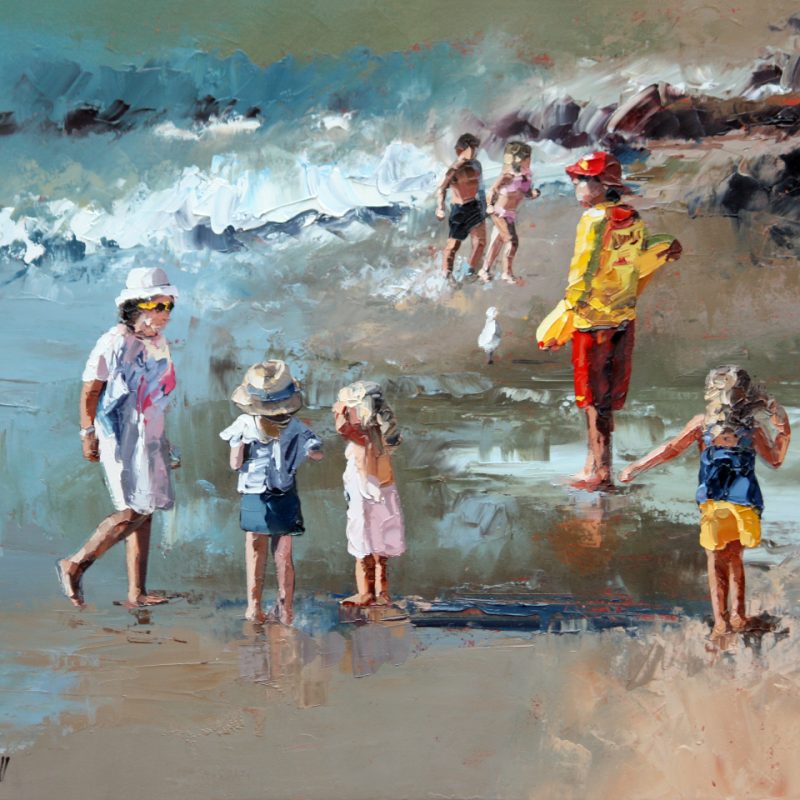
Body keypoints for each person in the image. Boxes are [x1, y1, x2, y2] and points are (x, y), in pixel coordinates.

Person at [537, 150, 682, 490]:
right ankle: (596, 464)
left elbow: (582, 272)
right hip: (623, 318)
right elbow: (639, 263)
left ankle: (599, 472)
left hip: (592, 320)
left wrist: (565, 316)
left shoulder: (592, 220)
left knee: (592, 401)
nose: (575, 185)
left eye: (581, 180)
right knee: (608, 400)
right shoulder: (631, 218)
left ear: (601, 185)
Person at [620, 366, 791, 638]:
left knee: (717, 560)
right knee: (734, 558)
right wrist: (784, 431)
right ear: (745, 395)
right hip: (744, 502)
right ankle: (736, 617)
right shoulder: (752, 429)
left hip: (714, 501)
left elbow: (671, 449)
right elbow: (776, 460)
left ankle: (722, 622)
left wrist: (637, 466)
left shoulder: (703, 425)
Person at [56, 267, 180, 608]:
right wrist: (87, 432)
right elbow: (90, 391)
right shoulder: (113, 342)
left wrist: (164, 442)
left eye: (169, 306)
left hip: (150, 434)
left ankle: (136, 591)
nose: (166, 314)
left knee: (146, 510)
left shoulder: (159, 343)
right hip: (119, 434)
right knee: (133, 509)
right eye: (159, 306)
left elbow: (156, 395)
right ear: (137, 307)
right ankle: (75, 563)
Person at [220, 360, 323, 625]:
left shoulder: (245, 424)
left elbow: (235, 464)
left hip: (254, 492)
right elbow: (316, 453)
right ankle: (285, 609)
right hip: (284, 491)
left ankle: (254, 607)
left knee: (255, 549)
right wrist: (296, 454)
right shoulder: (295, 425)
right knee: (283, 554)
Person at [332, 381, 405, 606]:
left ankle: (365, 593)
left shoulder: (361, 437)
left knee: (362, 544)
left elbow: (341, 428)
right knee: (381, 545)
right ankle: (382, 593)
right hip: (384, 488)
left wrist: (339, 411)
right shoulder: (384, 434)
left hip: (363, 490)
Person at [479, 141, 540, 285]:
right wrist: (489, 205)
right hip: (499, 212)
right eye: (527, 159)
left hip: (510, 214)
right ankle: (507, 273)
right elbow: (492, 191)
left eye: (529, 159)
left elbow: (526, 193)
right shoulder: (508, 176)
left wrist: (533, 194)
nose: (529, 162)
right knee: (512, 242)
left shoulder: (526, 178)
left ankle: (485, 270)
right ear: (519, 160)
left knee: (497, 241)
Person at [435, 132, 486, 283]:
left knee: (480, 242)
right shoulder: (454, 168)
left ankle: (468, 270)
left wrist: (485, 206)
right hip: (459, 209)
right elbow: (441, 188)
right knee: (453, 245)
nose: (475, 152)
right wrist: (440, 207)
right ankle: (447, 274)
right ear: (460, 150)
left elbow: (481, 188)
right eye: (472, 149)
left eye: (475, 149)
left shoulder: (476, 165)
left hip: (475, 207)